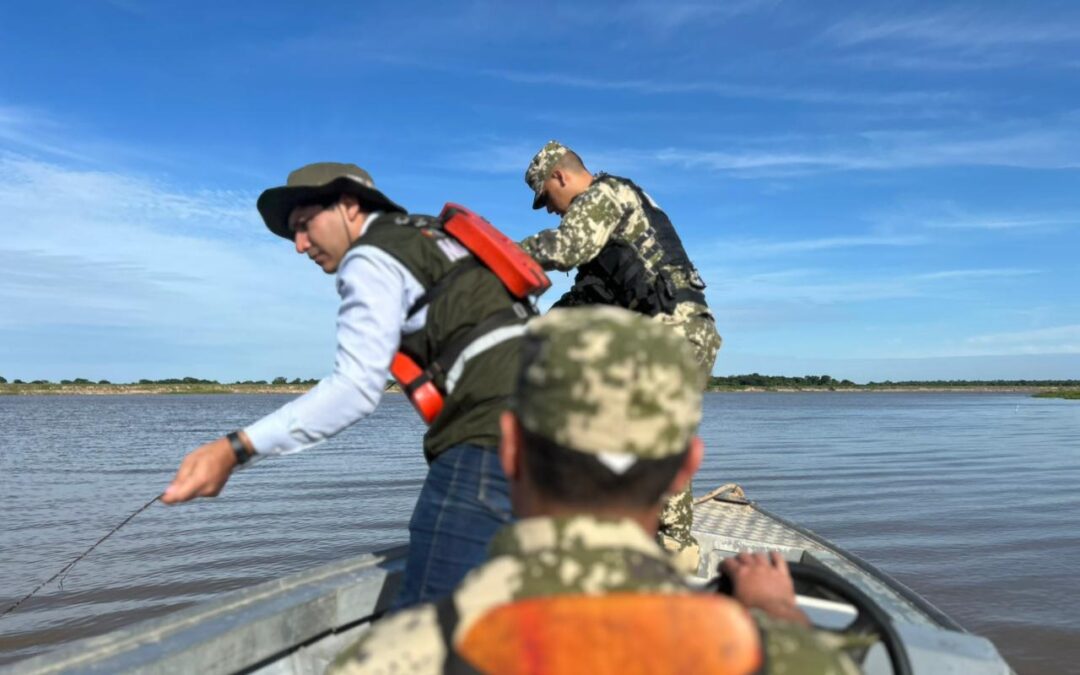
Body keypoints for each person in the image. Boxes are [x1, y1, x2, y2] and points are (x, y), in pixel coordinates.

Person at [329, 307, 857, 675]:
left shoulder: (391, 658)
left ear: (509, 449)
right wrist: (775, 613)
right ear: (686, 468)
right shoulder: (784, 658)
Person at [161, 162, 530, 607]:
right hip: (564, 438)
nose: (299, 245)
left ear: (350, 206)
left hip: (490, 440)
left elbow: (355, 389)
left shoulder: (372, 255)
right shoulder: (433, 238)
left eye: (304, 225)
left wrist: (233, 449)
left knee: (426, 631)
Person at [520, 140, 722, 573]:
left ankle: (674, 551)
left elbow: (562, 249)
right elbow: (582, 299)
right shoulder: (609, 234)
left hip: (674, 332)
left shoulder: (605, 196)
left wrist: (505, 254)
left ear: (560, 176)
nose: (552, 211)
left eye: (548, 201)